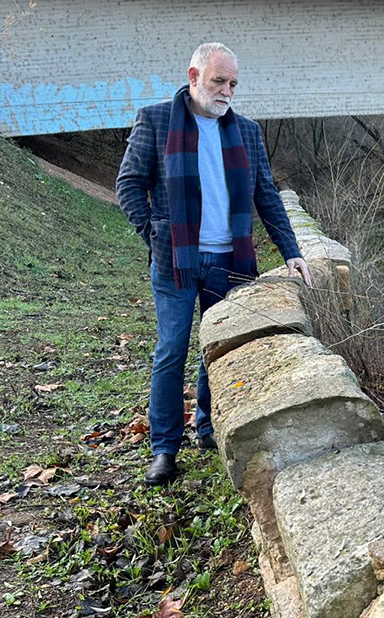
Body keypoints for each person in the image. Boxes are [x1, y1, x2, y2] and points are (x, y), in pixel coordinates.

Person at [116, 42, 312, 486]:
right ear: (194, 77)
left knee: (219, 348)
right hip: (176, 261)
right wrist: (155, 235)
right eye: (219, 81)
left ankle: (208, 426)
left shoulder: (247, 132)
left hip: (231, 259)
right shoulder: (156, 120)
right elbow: (128, 184)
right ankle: (164, 448)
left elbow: (266, 195)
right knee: (171, 350)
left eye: (233, 84)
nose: (227, 91)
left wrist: (291, 250)